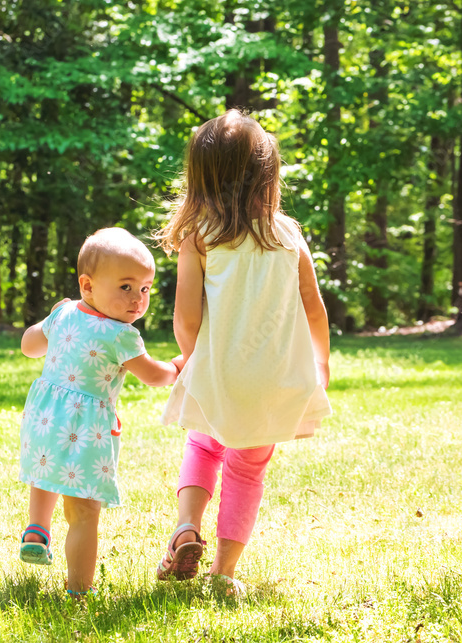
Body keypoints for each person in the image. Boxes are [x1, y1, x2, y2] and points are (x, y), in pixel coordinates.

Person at [154, 110, 332, 595]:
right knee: (248, 469)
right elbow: (314, 311)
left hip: (220, 373)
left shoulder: (201, 238)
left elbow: (186, 317)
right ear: (266, 176)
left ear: (202, 178)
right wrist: (321, 365)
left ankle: (187, 527)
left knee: (204, 444)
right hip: (274, 380)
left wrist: (194, 359)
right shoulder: (288, 236)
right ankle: (224, 572)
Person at [18, 227, 179, 597]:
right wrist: (178, 364)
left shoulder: (64, 313)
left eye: (145, 288)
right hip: (84, 427)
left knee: (45, 471)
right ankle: (77, 591)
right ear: (87, 286)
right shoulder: (121, 335)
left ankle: (37, 529)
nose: (138, 299)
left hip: (43, 416)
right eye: (125, 287)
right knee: (84, 513)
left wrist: (51, 319)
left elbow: (29, 346)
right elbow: (155, 377)